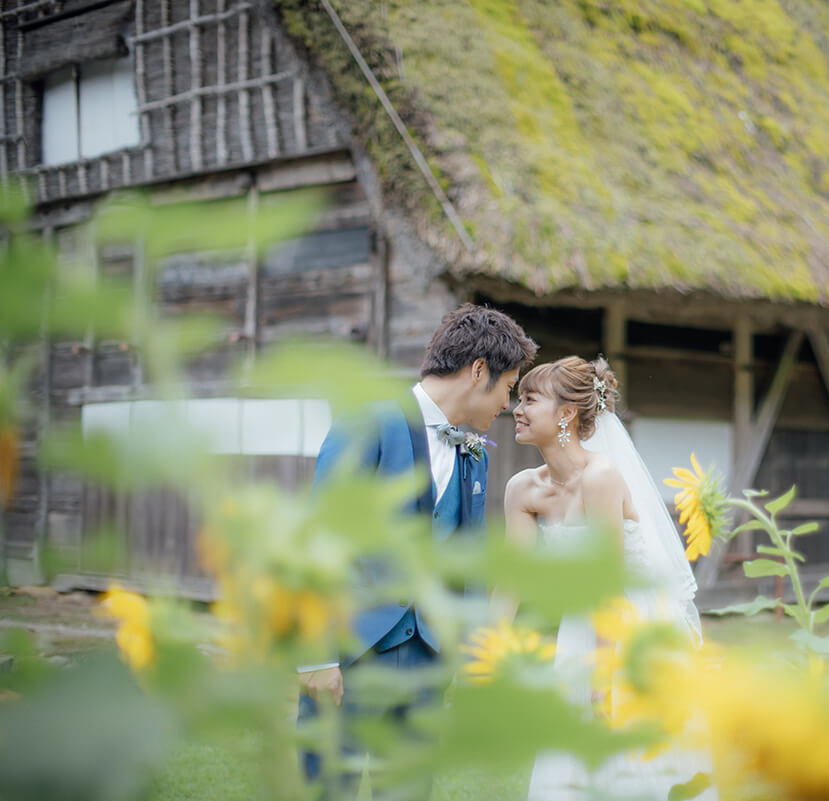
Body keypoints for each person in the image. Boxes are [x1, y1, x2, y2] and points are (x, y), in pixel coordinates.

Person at [299, 303, 538, 790]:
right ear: (478, 372)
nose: (508, 405)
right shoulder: (367, 423)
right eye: (508, 388)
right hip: (350, 656)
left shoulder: (475, 455)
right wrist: (316, 657)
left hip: (426, 668)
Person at [504, 356, 715, 801]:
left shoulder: (600, 477)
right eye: (517, 399)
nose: (515, 409)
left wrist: (602, 684)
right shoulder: (522, 489)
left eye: (529, 399)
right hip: (582, 625)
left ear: (565, 414)